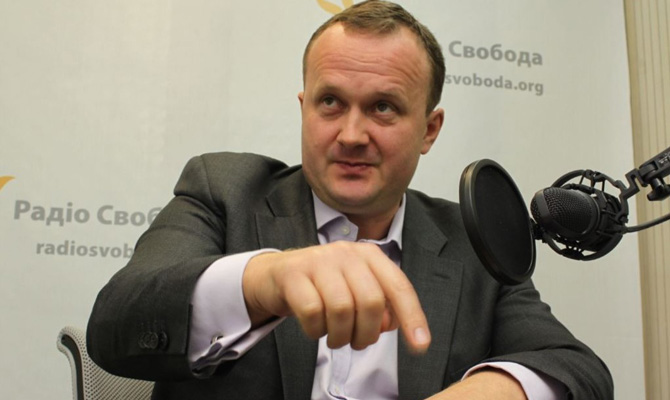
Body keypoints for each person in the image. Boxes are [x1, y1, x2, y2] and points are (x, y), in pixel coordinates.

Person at [87, 1, 613, 399]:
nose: (352, 135)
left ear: (429, 130)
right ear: (304, 107)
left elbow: (578, 370)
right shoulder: (224, 189)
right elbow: (115, 327)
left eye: (383, 107)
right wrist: (267, 279)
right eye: (331, 102)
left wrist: (495, 389)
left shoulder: (473, 242)